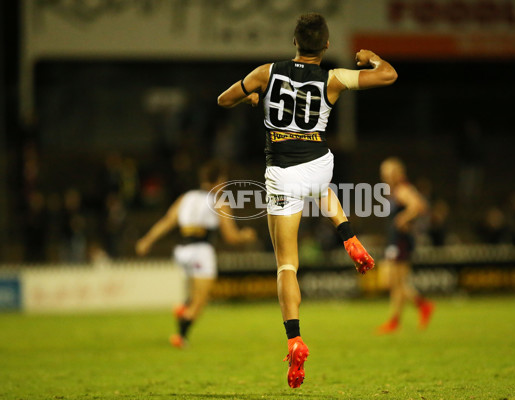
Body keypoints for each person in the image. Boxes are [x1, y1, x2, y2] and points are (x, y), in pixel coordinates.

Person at [217, 13, 396, 388]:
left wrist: (251, 96)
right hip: (319, 163)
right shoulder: (333, 78)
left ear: (293, 41)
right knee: (322, 188)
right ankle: (347, 234)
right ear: (326, 46)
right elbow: (388, 75)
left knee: (286, 265)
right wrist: (373, 56)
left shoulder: (267, 72)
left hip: (282, 172)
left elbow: (224, 99)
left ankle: (295, 339)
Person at [135, 161, 256, 347]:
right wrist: (245, 236)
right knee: (202, 298)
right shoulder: (219, 202)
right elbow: (231, 237)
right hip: (201, 251)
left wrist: (147, 240)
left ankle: (183, 308)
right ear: (218, 182)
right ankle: (181, 335)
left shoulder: (186, 198)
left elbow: (168, 221)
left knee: (194, 293)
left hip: (182, 250)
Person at [377, 157, 434, 334]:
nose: (385, 176)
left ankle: (421, 304)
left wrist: (404, 218)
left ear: (398, 173)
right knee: (397, 283)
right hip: (398, 240)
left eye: (388, 173)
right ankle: (396, 319)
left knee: (393, 282)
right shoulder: (395, 190)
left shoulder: (402, 189)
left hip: (400, 241)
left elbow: (419, 205)